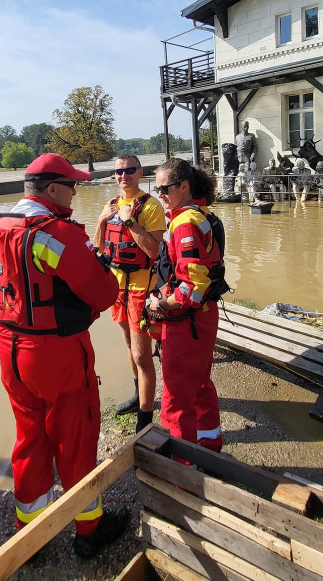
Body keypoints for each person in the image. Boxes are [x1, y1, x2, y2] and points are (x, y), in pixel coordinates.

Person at [0, 153, 127, 559]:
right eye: (71, 185)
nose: (75, 192)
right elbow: (102, 294)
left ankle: (31, 537)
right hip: (55, 351)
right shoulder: (56, 233)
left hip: (8, 347)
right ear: (51, 189)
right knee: (75, 439)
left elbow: (6, 276)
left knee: (30, 438)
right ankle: (89, 531)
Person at [145, 158, 228, 452]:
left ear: (184, 186)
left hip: (186, 322)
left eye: (165, 189)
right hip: (204, 316)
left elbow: (194, 284)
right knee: (200, 383)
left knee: (176, 397)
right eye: (156, 188)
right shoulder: (200, 214)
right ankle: (209, 443)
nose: (160, 195)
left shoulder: (184, 223)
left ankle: (183, 471)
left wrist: (162, 305)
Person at [92, 154, 165, 431]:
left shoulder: (150, 206)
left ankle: (145, 421)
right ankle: (138, 397)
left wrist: (129, 222)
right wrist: (101, 221)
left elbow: (155, 250)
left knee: (142, 355)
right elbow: (99, 247)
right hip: (116, 285)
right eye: (119, 171)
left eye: (130, 170)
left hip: (140, 287)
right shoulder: (110, 204)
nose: (124, 176)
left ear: (139, 172)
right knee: (128, 346)